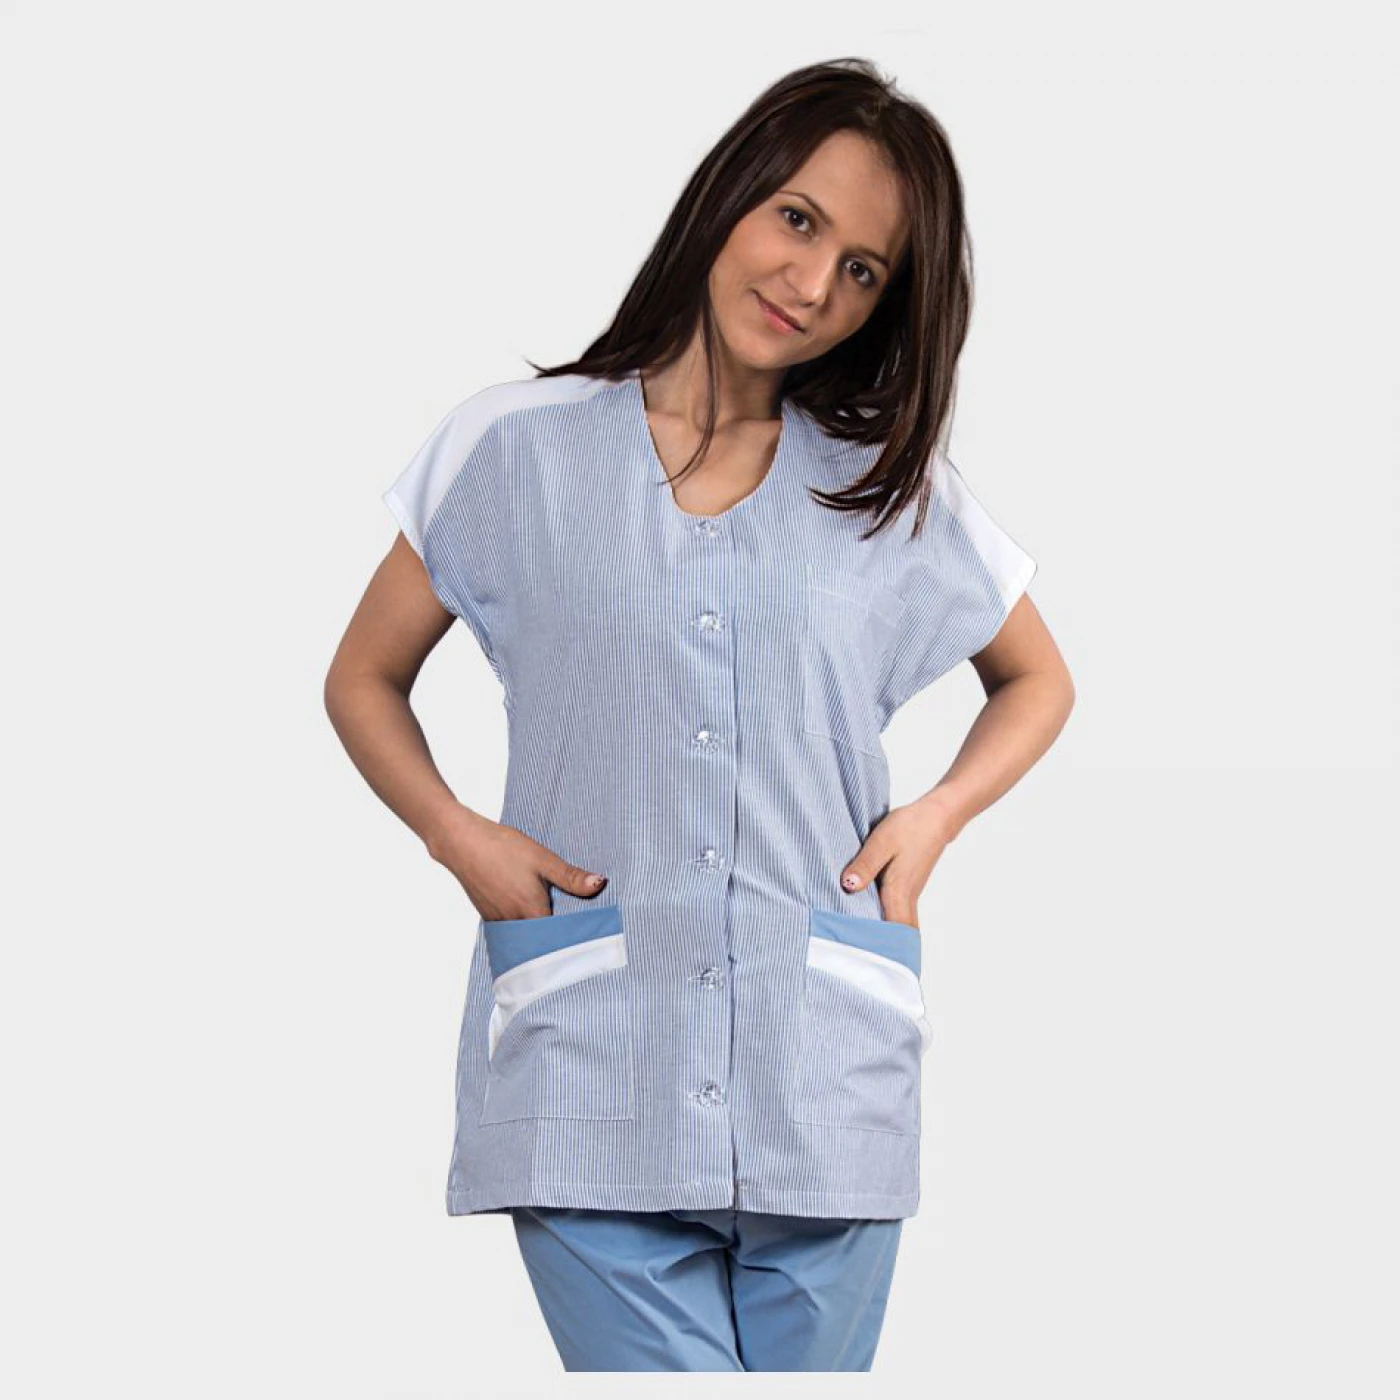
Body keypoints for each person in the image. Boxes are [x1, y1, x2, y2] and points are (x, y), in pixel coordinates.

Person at [324, 56, 1075, 1373]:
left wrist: (938, 816)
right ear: (728, 194)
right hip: (589, 1055)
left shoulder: (887, 491)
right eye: (798, 218)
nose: (813, 282)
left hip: (823, 1068)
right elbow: (363, 678)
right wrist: (459, 837)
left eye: (863, 269)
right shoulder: (516, 450)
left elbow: (1038, 678)